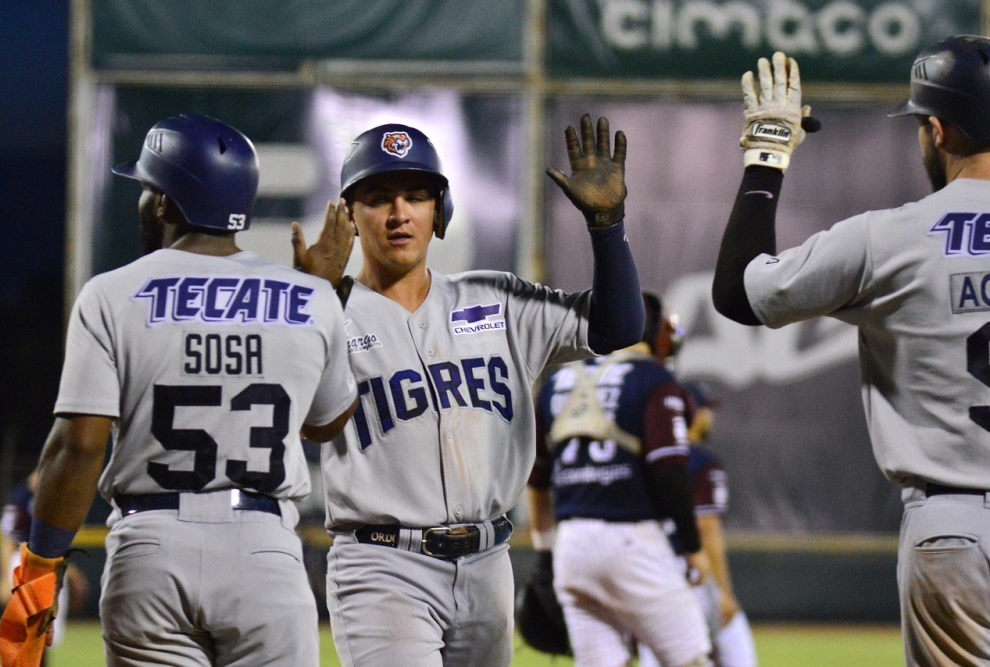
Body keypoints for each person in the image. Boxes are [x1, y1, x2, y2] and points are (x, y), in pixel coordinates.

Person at [0, 113, 358, 667]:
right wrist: (320, 291)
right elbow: (327, 423)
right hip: (264, 548)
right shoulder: (308, 296)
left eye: (147, 189)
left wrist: (39, 573)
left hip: (151, 548)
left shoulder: (112, 293)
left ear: (164, 204)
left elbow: (80, 446)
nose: (142, 201)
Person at [292, 115, 644, 666]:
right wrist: (315, 302)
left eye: (416, 195)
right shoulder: (325, 311)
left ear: (440, 212)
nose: (399, 213)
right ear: (350, 216)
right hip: (382, 567)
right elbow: (310, 421)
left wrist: (606, 223)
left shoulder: (496, 299)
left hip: (487, 563)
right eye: (379, 197)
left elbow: (619, 326)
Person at [712, 35, 990, 665]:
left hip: (954, 527)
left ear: (939, 130)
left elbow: (739, 291)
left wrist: (767, 153)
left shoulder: (889, 238)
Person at [525, 293, 712, 667]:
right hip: (632, 542)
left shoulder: (559, 380)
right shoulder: (654, 380)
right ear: (660, 334)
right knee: (693, 661)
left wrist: (546, 553)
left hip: (572, 547)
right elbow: (669, 471)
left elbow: (537, 481)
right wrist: (693, 546)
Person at [639, 383, 758, 667]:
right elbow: (707, 527)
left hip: (645, 567)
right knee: (733, 637)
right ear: (692, 413)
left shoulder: (644, 457)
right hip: (690, 572)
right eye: (705, 410)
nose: (709, 417)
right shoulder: (702, 462)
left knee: (656, 650)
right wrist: (725, 592)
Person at [0, 472, 88, 666]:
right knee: (29, 630)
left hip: (50, 564)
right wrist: (4, 578)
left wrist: (70, 571)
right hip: (23, 561)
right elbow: (7, 540)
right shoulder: (20, 498)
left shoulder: (56, 498)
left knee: (46, 632)